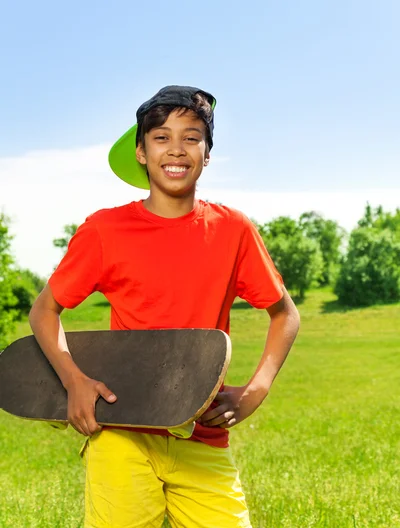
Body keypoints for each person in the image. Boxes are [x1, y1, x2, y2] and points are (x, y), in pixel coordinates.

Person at [29, 85, 300, 528]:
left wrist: (256, 390)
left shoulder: (232, 229)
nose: (177, 149)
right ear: (140, 151)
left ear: (207, 155)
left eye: (192, 138)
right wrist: (74, 380)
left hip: (201, 435)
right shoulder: (105, 229)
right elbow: (45, 311)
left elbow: (285, 313)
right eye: (161, 137)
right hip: (122, 432)